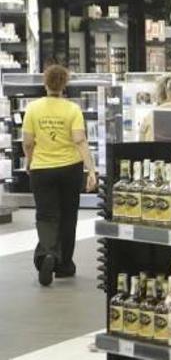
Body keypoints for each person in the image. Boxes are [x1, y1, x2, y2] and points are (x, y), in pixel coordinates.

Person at [23, 65, 98, 286]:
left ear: (45, 83)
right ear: (65, 84)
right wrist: (91, 170)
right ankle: (65, 265)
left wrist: (30, 161)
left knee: (46, 215)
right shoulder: (72, 109)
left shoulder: (33, 109)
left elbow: (28, 143)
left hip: (42, 169)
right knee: (68, 215)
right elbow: (80, 140)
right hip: (70, 169)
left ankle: (47, 253)